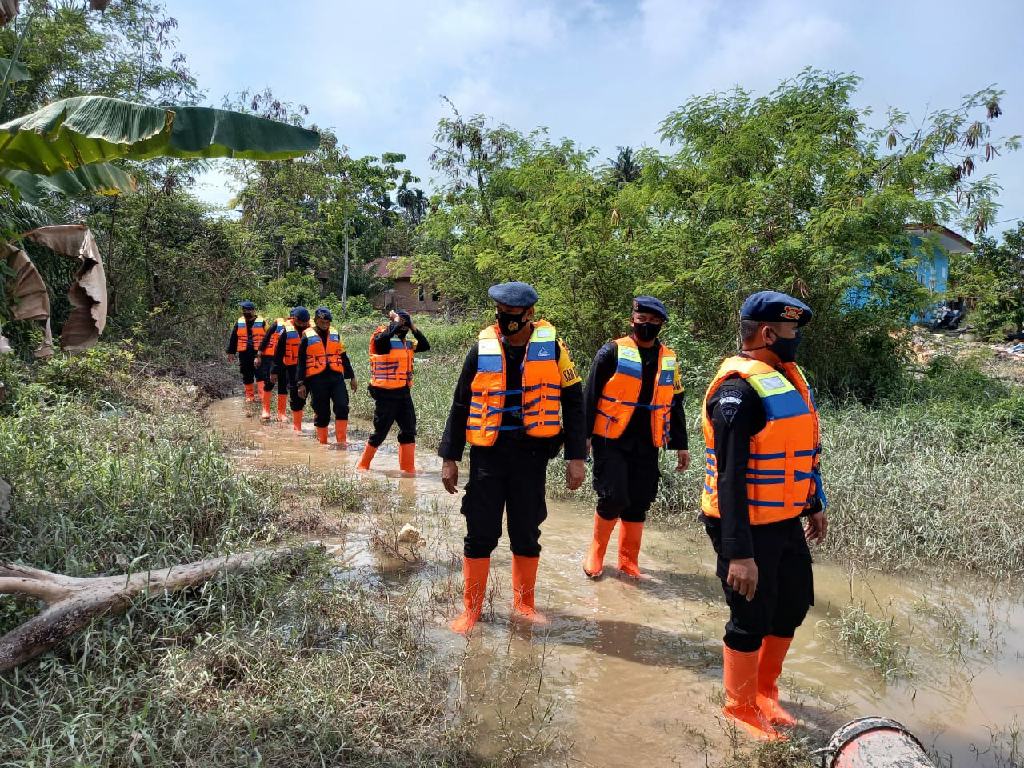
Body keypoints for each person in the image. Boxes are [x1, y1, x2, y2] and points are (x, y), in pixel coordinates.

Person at [700, 290, 828, 740]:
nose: (797, 339)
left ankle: (765, 691)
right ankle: (738, 707)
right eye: (792, 331)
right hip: (741, 526)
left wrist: (814, 502)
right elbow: (730, 478)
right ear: (769, 334)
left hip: (783, 519)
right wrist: (739, 554)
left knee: (791, 604)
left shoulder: (784, 379)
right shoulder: (737, 392)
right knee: (749, 617)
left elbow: (800, 449)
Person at [439, 281, 586, 634]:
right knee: (479, 531)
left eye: (512, 314)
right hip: (488, 455)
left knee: (526, 530)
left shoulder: (554, 349)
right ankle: (471, 610)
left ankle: (524, 605)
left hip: (531, 456)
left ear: (529, 313)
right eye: (500, 313)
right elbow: (460, 404)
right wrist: (449, 457)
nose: (505, 319)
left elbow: (574, 403)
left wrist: (576, 456)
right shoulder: (481, 349)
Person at [583, 296, 689, 579]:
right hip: (611, 437)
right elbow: (590, 395)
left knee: (640, 499)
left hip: (648, 439)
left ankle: (628, 560)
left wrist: (681, 445)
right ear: (633, 320)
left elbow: (676, 402)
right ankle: (596, 551)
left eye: (654, 321)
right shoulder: (612, 352)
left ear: (661, 325)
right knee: (614, 496)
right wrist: (584, 436)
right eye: (643, 320)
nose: (647, 325)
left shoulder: (668, 359)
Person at [357, 309, 431, 473]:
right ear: (394, 322)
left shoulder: (407, 343)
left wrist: (413, 327)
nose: (403, 327)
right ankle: (363, 465)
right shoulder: (382, 337)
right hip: (385, 394)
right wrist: (396, 322)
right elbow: (382, 340)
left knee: (409, 431)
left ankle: (408, 470)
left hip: (404, 393)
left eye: (405, 324)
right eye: (401, 323)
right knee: (380, 432)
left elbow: (426, 345)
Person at [296, 307, 357, 446]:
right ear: (316, 320)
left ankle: (341, 442)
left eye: (327, 322)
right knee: (322, 413)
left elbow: (343, 356)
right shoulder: (307, 336)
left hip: (336, 377)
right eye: (322, 322)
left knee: (342, 406)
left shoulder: (335, 334)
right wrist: (300, 383)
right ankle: (322, 443)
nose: (325, 324)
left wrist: (352, 376)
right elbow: (301, 362)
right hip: (317, 379)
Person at [270, 306, 311, 432]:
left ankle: (318, 420)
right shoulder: (286, 331)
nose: (303, 325)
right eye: (300, 322)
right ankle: (297, 428)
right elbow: (278, 353)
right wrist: (274, 371)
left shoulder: (314, 331)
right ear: (295, 319)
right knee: (295, 395)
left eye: (305, 323)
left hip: (311, 368)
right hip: (292, 367)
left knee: (316, 394)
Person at [226, 300, 269, 403]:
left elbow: (269, 338)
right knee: (246, 374)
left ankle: (263, 396)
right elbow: (233, 338)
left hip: (259, 353)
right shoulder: (239, 322)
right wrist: (231, 352)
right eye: (244, 310)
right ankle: (249, 396)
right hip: (244, 353)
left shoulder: (262, 322)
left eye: (248, 310)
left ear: (253, 311)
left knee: (260, 374)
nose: (245, 312)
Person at [256, 313, 291, 421]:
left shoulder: (301, 330)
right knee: (269, 383)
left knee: (283, 385)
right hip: (273, 359)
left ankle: (281, 413)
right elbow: (266, 338)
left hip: (287, 361)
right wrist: (259, 355)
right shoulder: (277, 324)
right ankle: (265, 410)